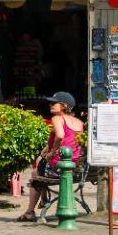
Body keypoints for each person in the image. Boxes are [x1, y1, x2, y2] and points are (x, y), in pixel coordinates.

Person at [18, 91, 85, 222]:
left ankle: (30, 211)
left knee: (35, 173)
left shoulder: (57, 119)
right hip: (76, 167)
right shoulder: (78, 122)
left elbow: (60, 135)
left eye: (54, 103)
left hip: (59, 168)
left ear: (64, 106)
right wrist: (47, 148)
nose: (51, 105)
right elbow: (68, 139)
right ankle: (42, 198)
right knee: (40, 166)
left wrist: (52, 152)